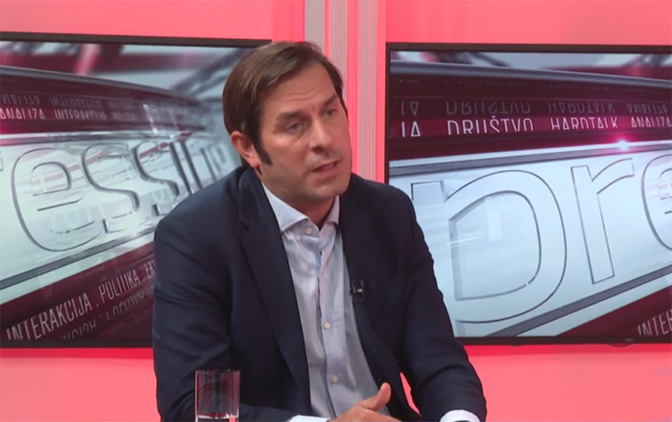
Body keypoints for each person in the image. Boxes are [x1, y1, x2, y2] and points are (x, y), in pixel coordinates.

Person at [152, 41, 487, 422]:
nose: (324, 140)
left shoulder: (389, 214)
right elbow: (192, 406)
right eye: (294, 125)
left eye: (330, 112)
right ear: (248, 148)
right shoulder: (197, 237)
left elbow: (440, 362)